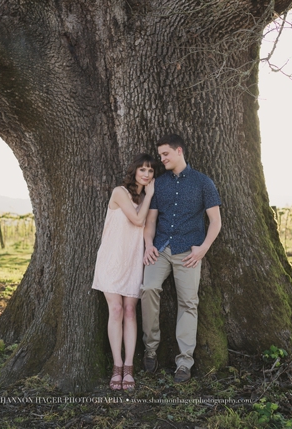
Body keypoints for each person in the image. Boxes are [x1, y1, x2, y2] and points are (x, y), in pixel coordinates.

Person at [141, 134, 222, 383]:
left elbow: (216, 222)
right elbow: (151, 220)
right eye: (161, 155)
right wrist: (147, 246)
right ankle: (150, 349)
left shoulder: (203, 182)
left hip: (189, 251)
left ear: (179, 151)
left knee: (188, 303)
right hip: (161, 248)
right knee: (148, 288)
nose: (161, 159)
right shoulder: (159, 184)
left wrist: (203, 248)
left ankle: (184, 362)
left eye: (165, 154)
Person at [91, 153, 158, 391]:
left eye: (150, 171)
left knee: (130, 311)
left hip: (133, 259)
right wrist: (149, 195)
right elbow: (137, 220)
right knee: (116, 309)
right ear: (134, 171)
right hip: (112, 258)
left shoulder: (149, 198)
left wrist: (149, 197)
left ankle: (129, 367)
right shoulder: (120, 192)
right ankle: (116, 366)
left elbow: (147, 225)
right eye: (143, 170)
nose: (146, 175)